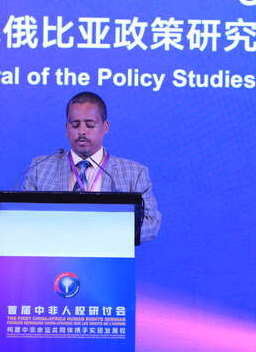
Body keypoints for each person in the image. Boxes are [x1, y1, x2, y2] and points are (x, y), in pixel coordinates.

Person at [22, 91, 161, 241]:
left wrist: (99, 232)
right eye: (75, 125)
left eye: (90, 125)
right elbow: (22, 217)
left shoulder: (134, 173)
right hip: (52, 253)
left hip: (107, 253)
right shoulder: (40, 168)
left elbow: (151, 223)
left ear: (105, 127)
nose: (82, 131)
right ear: (66, 128)